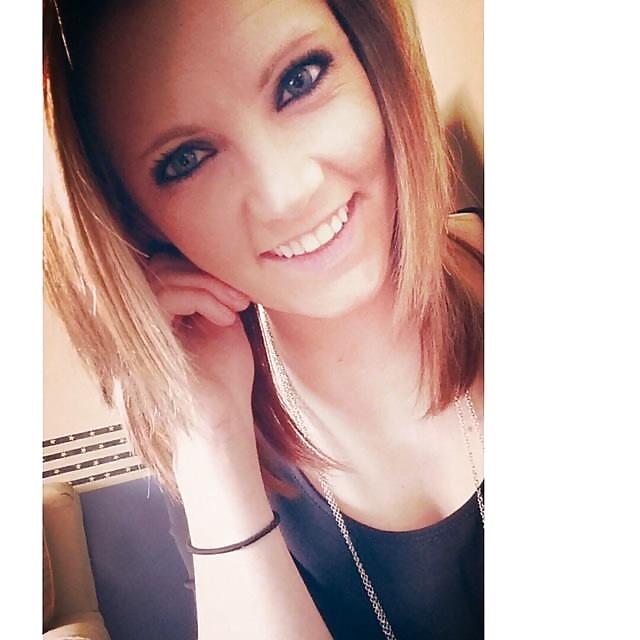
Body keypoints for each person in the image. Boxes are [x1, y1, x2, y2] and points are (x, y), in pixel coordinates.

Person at [43, 1, 484, 638]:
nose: (287, 192)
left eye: (299, 81)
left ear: (371, 59)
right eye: (187, 159)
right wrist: (210, 437)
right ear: (139, 223)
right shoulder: (217, 444)